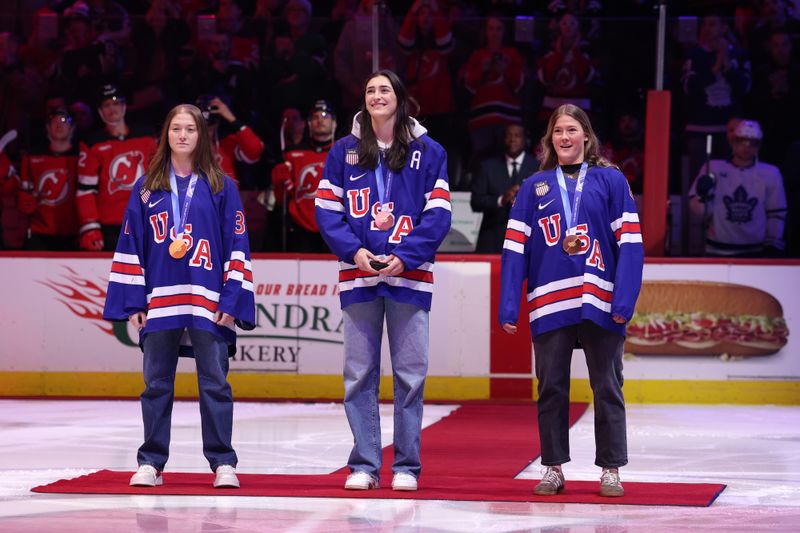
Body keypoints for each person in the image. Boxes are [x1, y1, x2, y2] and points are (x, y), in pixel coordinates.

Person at [102, 103, 256, 489]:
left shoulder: (221, 185)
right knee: (156, 384)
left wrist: (231, 301)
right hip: (160, 301)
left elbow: (238, 245)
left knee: (215, 383)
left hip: (207, 300)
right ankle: (151, 461)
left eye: (190, 129)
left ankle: (223, 461)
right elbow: (130, 245)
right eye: (176, 129)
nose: (183, 135)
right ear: (166, 135)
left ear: (202, 135)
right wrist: (134, 302)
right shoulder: (146, 187)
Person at [315, 70, 452, 492]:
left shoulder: (429, 152)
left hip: (410, 277)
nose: (376, 95)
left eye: (384, 89)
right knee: (359, 374)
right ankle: (365, 465)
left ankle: (407, 466)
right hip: (359, 276)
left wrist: (405, 257)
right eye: (370, 89)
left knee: (411, 375)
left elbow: (439, 215)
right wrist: (355, 253)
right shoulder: (343, 152)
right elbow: (326, 211)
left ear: (400, 98)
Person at [499, 104, 644, 498]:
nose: (565, 137)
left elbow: (630, 245)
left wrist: (624, 300)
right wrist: (509, 303)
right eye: (558, 131)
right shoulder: (534, 186)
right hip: (549, 302)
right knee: (551, 388)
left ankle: (611, 469)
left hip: (599, 299)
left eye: (572, 130)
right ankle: (552, 467)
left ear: (586, 136)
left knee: (608, 386)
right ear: (551, 140)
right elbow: (514, 249)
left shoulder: (611, 181)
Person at [689, 119, 787, 257]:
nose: (747, 147)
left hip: (755, 251)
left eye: (752, 143)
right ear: (733, 142)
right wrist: (702, 196)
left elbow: (776, 213)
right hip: (717, 250)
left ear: (759, 145)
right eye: (742, 141)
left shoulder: (770, 173)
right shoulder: (713, 168)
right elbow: (700, 213)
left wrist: (773, 243)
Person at [77, 83, 157, 251]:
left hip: (146, 221)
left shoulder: (148, 137)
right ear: (99, 110)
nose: (112, 109)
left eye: (116, 103)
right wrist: (90, 225)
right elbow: (85, 190)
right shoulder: (93, 143)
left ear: (124, 105)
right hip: (111, 228)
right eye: (107, 105)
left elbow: (162, 180)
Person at [271, 100, 336, 253]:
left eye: (325, 116)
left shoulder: (343, 154)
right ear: (308, 123)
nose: (320, 120)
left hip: (334, 227)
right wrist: (278, 179)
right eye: (315, 117)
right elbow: (282, 198)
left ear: (334, 123)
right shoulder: (292, 155)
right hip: (300, 229)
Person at [17, 108, 80, 250]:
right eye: (54, 121)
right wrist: (21, 199)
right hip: (39, 234)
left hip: (73, 235)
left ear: (72, 127)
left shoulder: (81, 156)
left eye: (64, 121)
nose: (59, 125)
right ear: (47, 127)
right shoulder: (32, 157)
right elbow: (23, 192)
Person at [471, 123, 538, 253]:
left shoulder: (538, 167)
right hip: (492, 239)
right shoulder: (487, 166)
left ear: (525, 140)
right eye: (508, 136)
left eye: (517, 136)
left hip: (527, 238)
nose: (512, 139)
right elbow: (476, 202)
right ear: (503, 139)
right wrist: (501, 199)